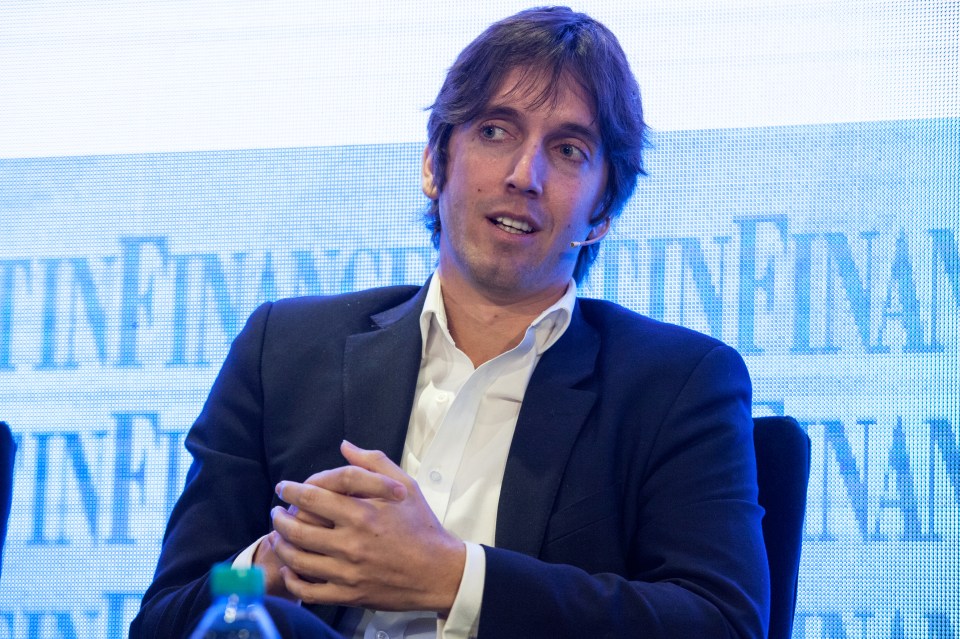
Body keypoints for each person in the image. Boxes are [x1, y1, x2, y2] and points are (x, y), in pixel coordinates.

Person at [131, 6, 769, 638]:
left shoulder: (676, 384)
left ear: (602, 209)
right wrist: (270, 565)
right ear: (435, 163)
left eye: (568, 149)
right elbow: (171, 616)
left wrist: (453, 577)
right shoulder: (285, 353)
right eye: (495, 132)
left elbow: (722, 623)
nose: (525, 175)